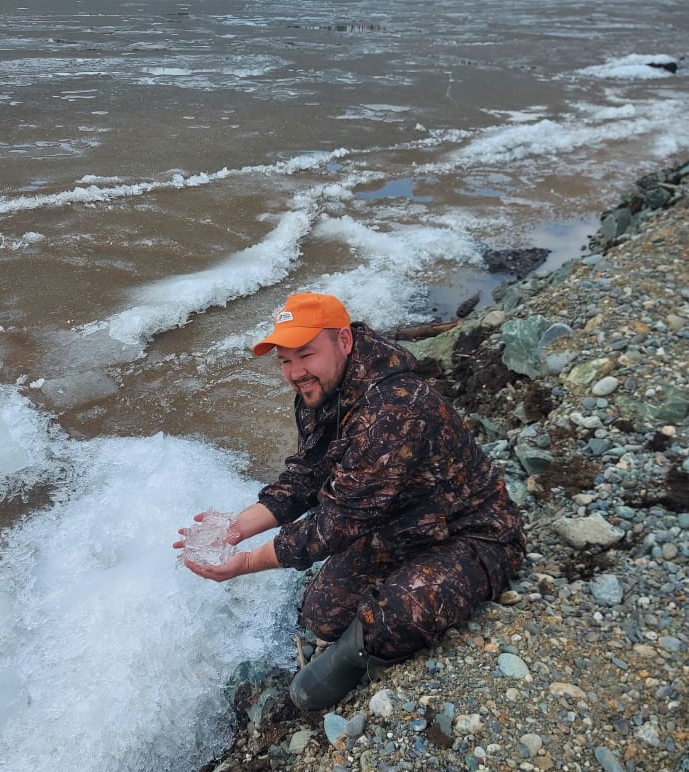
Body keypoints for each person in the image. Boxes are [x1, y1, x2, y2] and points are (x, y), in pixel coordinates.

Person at [176, 291, 525, 710]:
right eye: (285, 361)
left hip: (473, 532)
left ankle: (440, 602)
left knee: (392, 620)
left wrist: (248, 562)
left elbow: (338, 520)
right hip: (400, 523)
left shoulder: (395, 409)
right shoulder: (321, 391)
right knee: (321, 614)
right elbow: (305, 477)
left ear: (344, 341)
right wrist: (236, 528)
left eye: (306, 354)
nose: (295, 372)